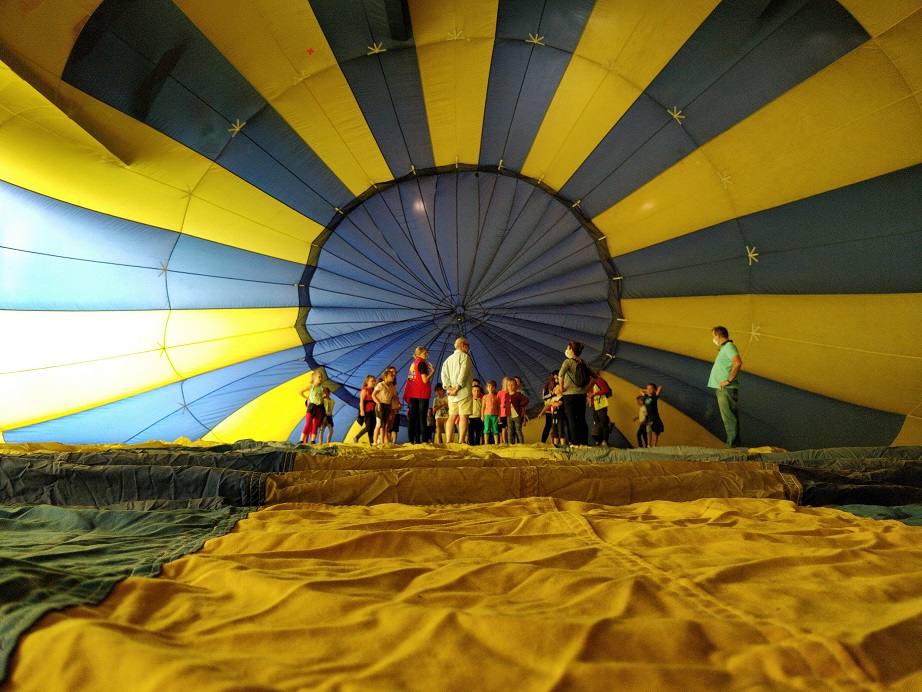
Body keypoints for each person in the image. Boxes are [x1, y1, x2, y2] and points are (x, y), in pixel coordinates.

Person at [708, 326, 743, 448]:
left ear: (718, 336)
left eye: (713, 336)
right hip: (723, 389)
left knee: (729, 418)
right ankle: (732, 445)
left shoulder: (729, 347)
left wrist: (728, 380)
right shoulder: (724, 348)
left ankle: (733, 446)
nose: (713, 339)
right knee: (728, 418)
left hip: (727, 389)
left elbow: (737, 362)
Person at [440, 337, 473, 444]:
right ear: (463, 346)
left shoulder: (448, 359)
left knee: (452, 417)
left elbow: (443, 374)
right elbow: (463, 373)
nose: (469, 347)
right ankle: (461, 441)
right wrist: (458, 387)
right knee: (463, 415)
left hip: (451, 394)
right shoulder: (465, 357)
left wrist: (448, 387)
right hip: (464, 391)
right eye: (468, 345)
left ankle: (449, 441)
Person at [557, 341, 589, 446]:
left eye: (567, 348)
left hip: (569, 395)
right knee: (581, 418)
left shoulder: (567, 362)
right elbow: (595, 377)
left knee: (571, 419)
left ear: (571, 350)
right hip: (582, 394)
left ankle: (575, 443)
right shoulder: (582, 362)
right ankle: (584, 442)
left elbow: (560, 375)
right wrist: (588, 388)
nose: (566, 350)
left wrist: (561, 389)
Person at [404, 346, 433, 444]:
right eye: (425, 352)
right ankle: (424, 440)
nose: (427, 354)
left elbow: (411, 380)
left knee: (412, 418)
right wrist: (433, 371)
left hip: (413, 393)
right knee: (422, 418)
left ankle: (411, 440)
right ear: (420, 353)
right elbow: (425, 380)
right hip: (421, 394)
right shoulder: (422, 364)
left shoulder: (413, 364)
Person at [499, 377, 529, 444]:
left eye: (512, 385)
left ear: (515, 386)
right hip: (509, 415)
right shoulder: (506, 395)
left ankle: (521, 444)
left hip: (517, 415)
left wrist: (520, 404)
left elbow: (526, 400)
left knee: (518, 430)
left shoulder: (517, 394)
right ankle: (510, 444)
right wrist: (504, 406)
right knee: (510, 431)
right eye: (509, 385)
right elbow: (506, 402)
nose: (510, 387)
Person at [372, 367, 398, 446]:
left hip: (387, 405)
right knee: (380, 424)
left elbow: (390, 399)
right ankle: (375, 441)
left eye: (393, 375)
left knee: (385, 424)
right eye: (391, 375)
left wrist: (390, 411)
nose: (393, 376)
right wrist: (378, 403)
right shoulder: (381, 385)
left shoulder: (391, 387)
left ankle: (382, 441)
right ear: (386, 377)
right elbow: (373, 395)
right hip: (381, 405)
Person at [299, 371, 325, 444]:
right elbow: (300, 392)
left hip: (318, 407)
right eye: (319, 377)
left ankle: (313, 441)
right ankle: (301, 440)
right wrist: (308, 399)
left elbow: (322, 396)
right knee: (308, 423)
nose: (321, 378)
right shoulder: (311, 386)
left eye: (321, 377)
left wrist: (322, 398)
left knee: (315, 425)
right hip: (311, 407)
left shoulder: (321, 387)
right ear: (314, 378)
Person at [588, 372, 611, 446]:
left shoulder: (598, 379)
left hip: (600, 404)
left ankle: (605, 441)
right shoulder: (590, 382)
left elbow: (606, 389)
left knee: (603, 423)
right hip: (595, 405)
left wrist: (595, 394)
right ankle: (599, 441)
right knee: (597, 424)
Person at [353, 374, 377, 444]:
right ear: (367, 381)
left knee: (372, 427)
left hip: (373, 410)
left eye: (374, 381)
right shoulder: (364, 390)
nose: (374, 382)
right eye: (372, 381)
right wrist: (362, 411)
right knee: (369, 426)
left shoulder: (373, 390)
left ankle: (371, 442)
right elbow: (361, 401)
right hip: (367, 410)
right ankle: (356, 437)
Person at [540, 372, 558, 443]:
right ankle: (543, 442)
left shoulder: (560, 383)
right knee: (548, 426)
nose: (556, 380)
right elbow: (544, 397)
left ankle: (555, 442)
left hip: (558, 407)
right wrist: (552, 394)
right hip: (549, 407)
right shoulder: (546, 387)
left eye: (557, 378)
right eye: (555, 378)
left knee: (556, 426)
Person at [481, 380, 500, 444]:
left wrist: (499, 416)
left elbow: (498, 407)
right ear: (486, 388)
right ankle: (486, 442)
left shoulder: (496, 397)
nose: (490, 388)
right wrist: (482, 416)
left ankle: (496, 442)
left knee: (495, 428)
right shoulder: (485, 397)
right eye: (489, 387)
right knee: (486, 429)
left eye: (492, 387)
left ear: (495, 388)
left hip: (495, 415)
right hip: (487, 415)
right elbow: (483, 407)